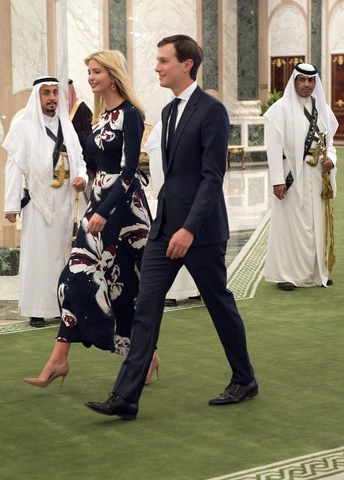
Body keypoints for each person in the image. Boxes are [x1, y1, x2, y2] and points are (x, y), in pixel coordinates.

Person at [85, 34, 257, 420]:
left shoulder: (211, 110)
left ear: (187, 65)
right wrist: (165, 224)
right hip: (164, 230)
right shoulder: (166, 112)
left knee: (219, 305)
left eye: (164, 61)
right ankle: (126, 396)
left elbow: (212, 177)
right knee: (146, 308)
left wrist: (190, 229)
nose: (157, 67)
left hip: (201, 231)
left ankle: (245, 378)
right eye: (158, 60)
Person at [22, 51, 152, 389]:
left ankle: (145, 356)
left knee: (124, 287)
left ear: (112, 74)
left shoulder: (130, 115)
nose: (91, 78)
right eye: (89, 72)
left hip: (123, 211)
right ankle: (59, 358)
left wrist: (103, 210)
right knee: (75, 278)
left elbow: (127, 173)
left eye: (96, 72)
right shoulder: (101, 116)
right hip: (99, 204)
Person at [3, 77, 88, 329]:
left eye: (54, 93)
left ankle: (62, 306)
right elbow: (14, 166)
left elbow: (79, 157)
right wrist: (11, 205)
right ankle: (37, 309)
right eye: (46, 93)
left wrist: (82, 176)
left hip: (64, 201)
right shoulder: (23, 126)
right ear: (36, 97)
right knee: (38, 256)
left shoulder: (66, 125)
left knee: (62, 255)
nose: (51, 97)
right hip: (38, 201)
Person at [262, 63, 338, 291]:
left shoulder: (323, 108)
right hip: (290, 178)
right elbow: (273, 148)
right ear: (294, 81)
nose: (307, 85)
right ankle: (286, 274)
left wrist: (331, 159)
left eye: (311, 80)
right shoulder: (279, 110)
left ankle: (315, 272)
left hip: (316, 178)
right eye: (302, 80)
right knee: (290, 225)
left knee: (315, 225)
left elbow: (330, 143)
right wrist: (277, 180)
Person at [144, 119, 199, 304]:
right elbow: (158, 168)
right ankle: (174, 291)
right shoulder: (163, 125)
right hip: (172, 200)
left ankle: (195, 288)